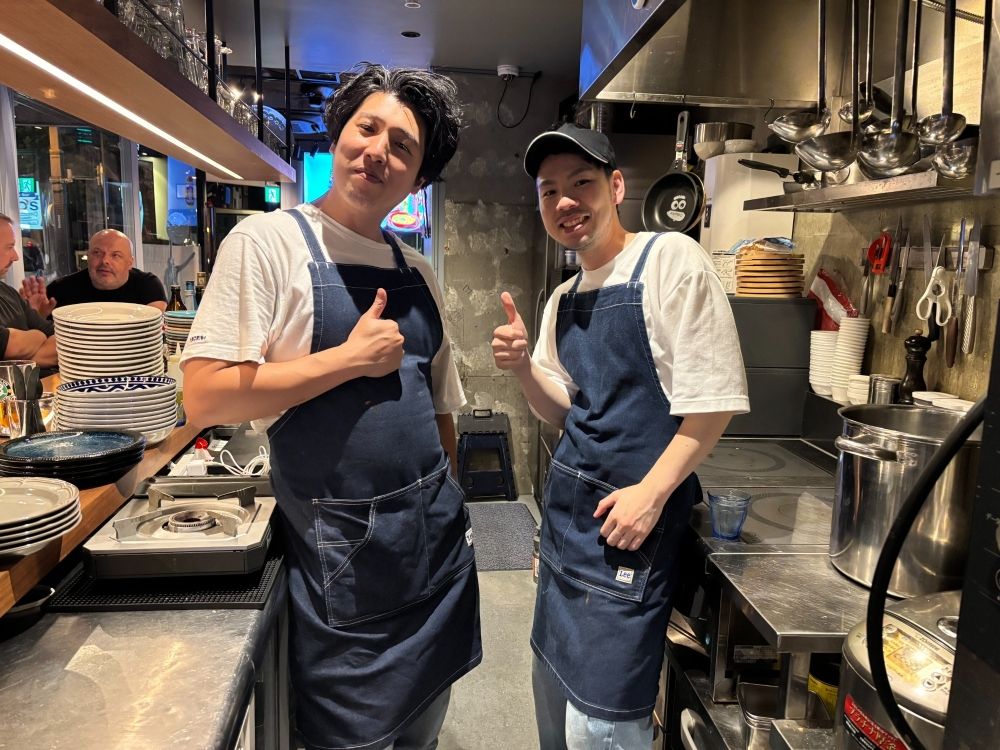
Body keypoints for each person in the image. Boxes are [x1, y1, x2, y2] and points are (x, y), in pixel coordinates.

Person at [180, 64, 480, 750]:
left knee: (424, 736)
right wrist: (347, 358)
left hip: (434, 564)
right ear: (337, 134)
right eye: (366, 128)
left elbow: (441, 409)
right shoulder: (268, 244)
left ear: (419, 178)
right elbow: (203, 394)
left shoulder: (418, 270)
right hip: (345, 573)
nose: (379, 150)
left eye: (402, 145)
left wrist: (450, 498)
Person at [492, 123, 749, 749]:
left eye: (581, 183)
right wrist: (524, 367)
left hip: (628, 529)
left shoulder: (668, 261)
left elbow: (711, 406)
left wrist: (652, 493)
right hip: (566, 530)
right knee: (552, 700)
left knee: (602, 724)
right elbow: (563, 411)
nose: (564, 203)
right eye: (549, 191)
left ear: (615, 185)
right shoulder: (563, 298)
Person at [20, 229, 167, 317]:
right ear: (88, 257)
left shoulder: (148, 285)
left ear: (130, 262)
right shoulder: (61, 289)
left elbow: (155, 326)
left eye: (115, 255)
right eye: (97, 253)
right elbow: (39, 329)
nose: (105, 261)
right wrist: (36, 315)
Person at [0, 213, 57, 369]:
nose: (16, 257)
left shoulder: (9, 293)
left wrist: (22, 353)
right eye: (10, 247)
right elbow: (12, 346)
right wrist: (37, 336)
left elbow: (62, 340)